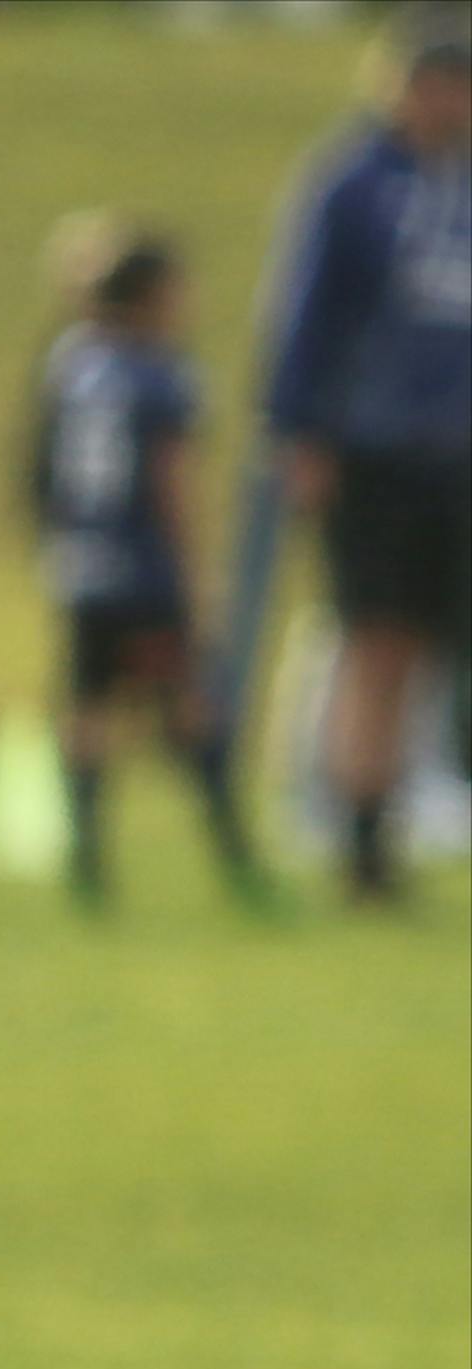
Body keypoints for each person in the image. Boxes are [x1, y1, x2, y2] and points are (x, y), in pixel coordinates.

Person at [258, 2, 472, 908]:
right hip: (379, 449)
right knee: (376, 643)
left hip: (461, 449)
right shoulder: (352, 184)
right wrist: (300, 429)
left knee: (439, 650)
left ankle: (424, 811)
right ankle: (364, 841)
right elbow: (303, 315)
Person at [26, 226, 273, 914]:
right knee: (193, 711)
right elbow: (171, 483)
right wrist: (198, 579)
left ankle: (88, 860)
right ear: (151, 297)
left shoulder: (72, 363)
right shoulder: (161, 373)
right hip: (144, 572)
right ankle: (237, 859)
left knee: (87, 709)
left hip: (82, 567)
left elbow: (39, 468)